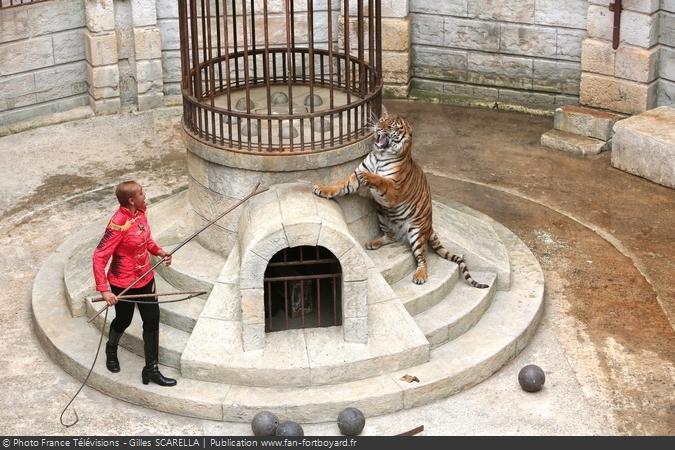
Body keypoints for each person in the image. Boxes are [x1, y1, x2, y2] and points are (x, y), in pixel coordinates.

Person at [92, 181, 176, 387]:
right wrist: (104, 290)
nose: (144, 195)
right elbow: (99, 257)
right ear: (131, 199)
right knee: (124, 320)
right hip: (123, 283)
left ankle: (151, 369)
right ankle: (111, 350)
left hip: (145, 277)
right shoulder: (118, 223)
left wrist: (159, 251)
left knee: (152, 320)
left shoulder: (141, 213)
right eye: (140, 193)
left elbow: (146, 240)